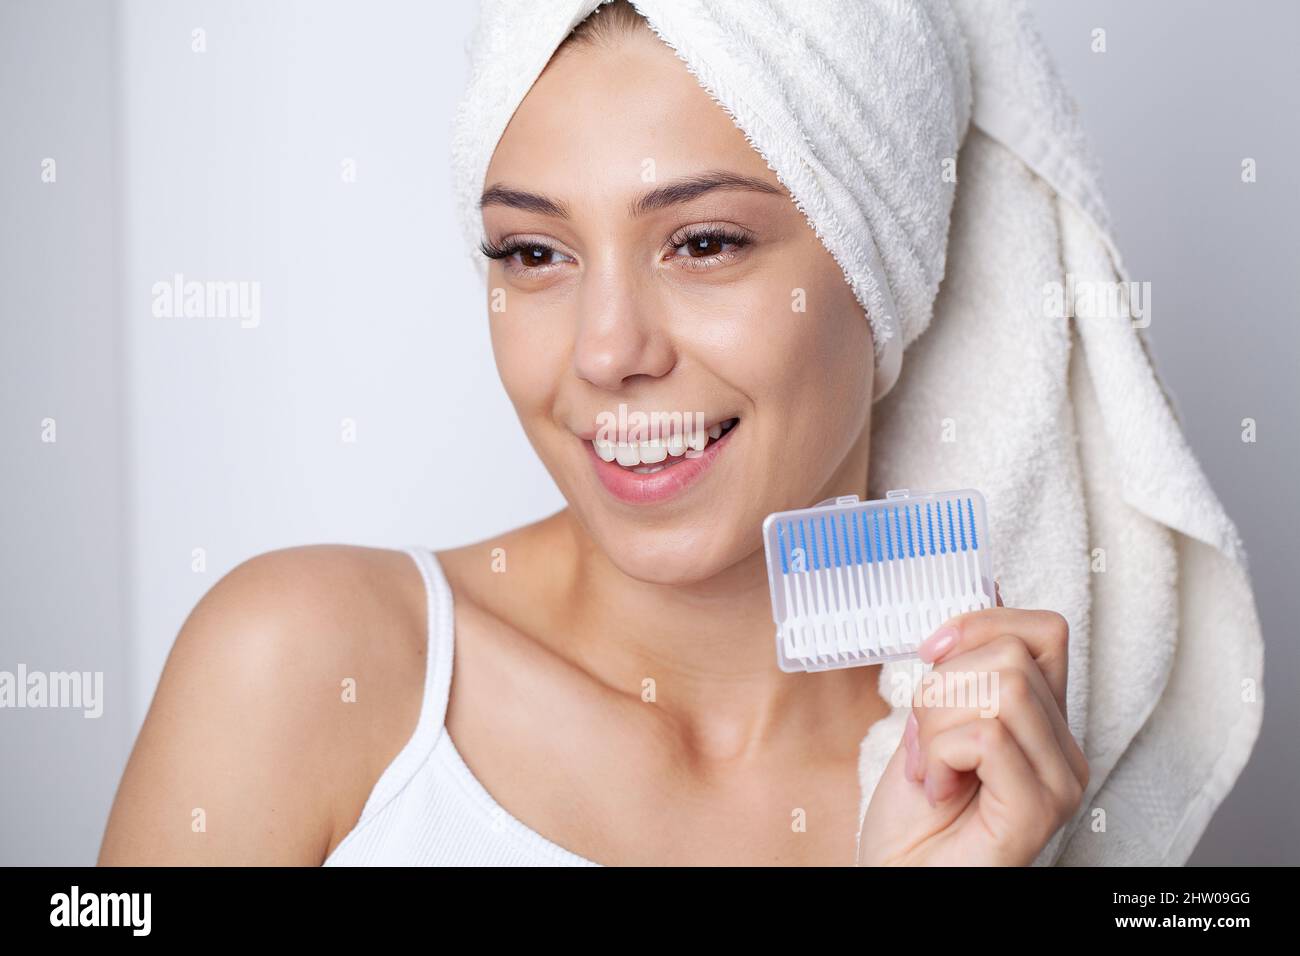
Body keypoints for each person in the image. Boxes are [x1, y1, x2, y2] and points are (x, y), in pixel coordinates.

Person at [98, 0, 1091, 867]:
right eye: (534, 252)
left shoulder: (989, 780)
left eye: (703, 243)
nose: (605, 350)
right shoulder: (305, 665)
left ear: (886, 267)